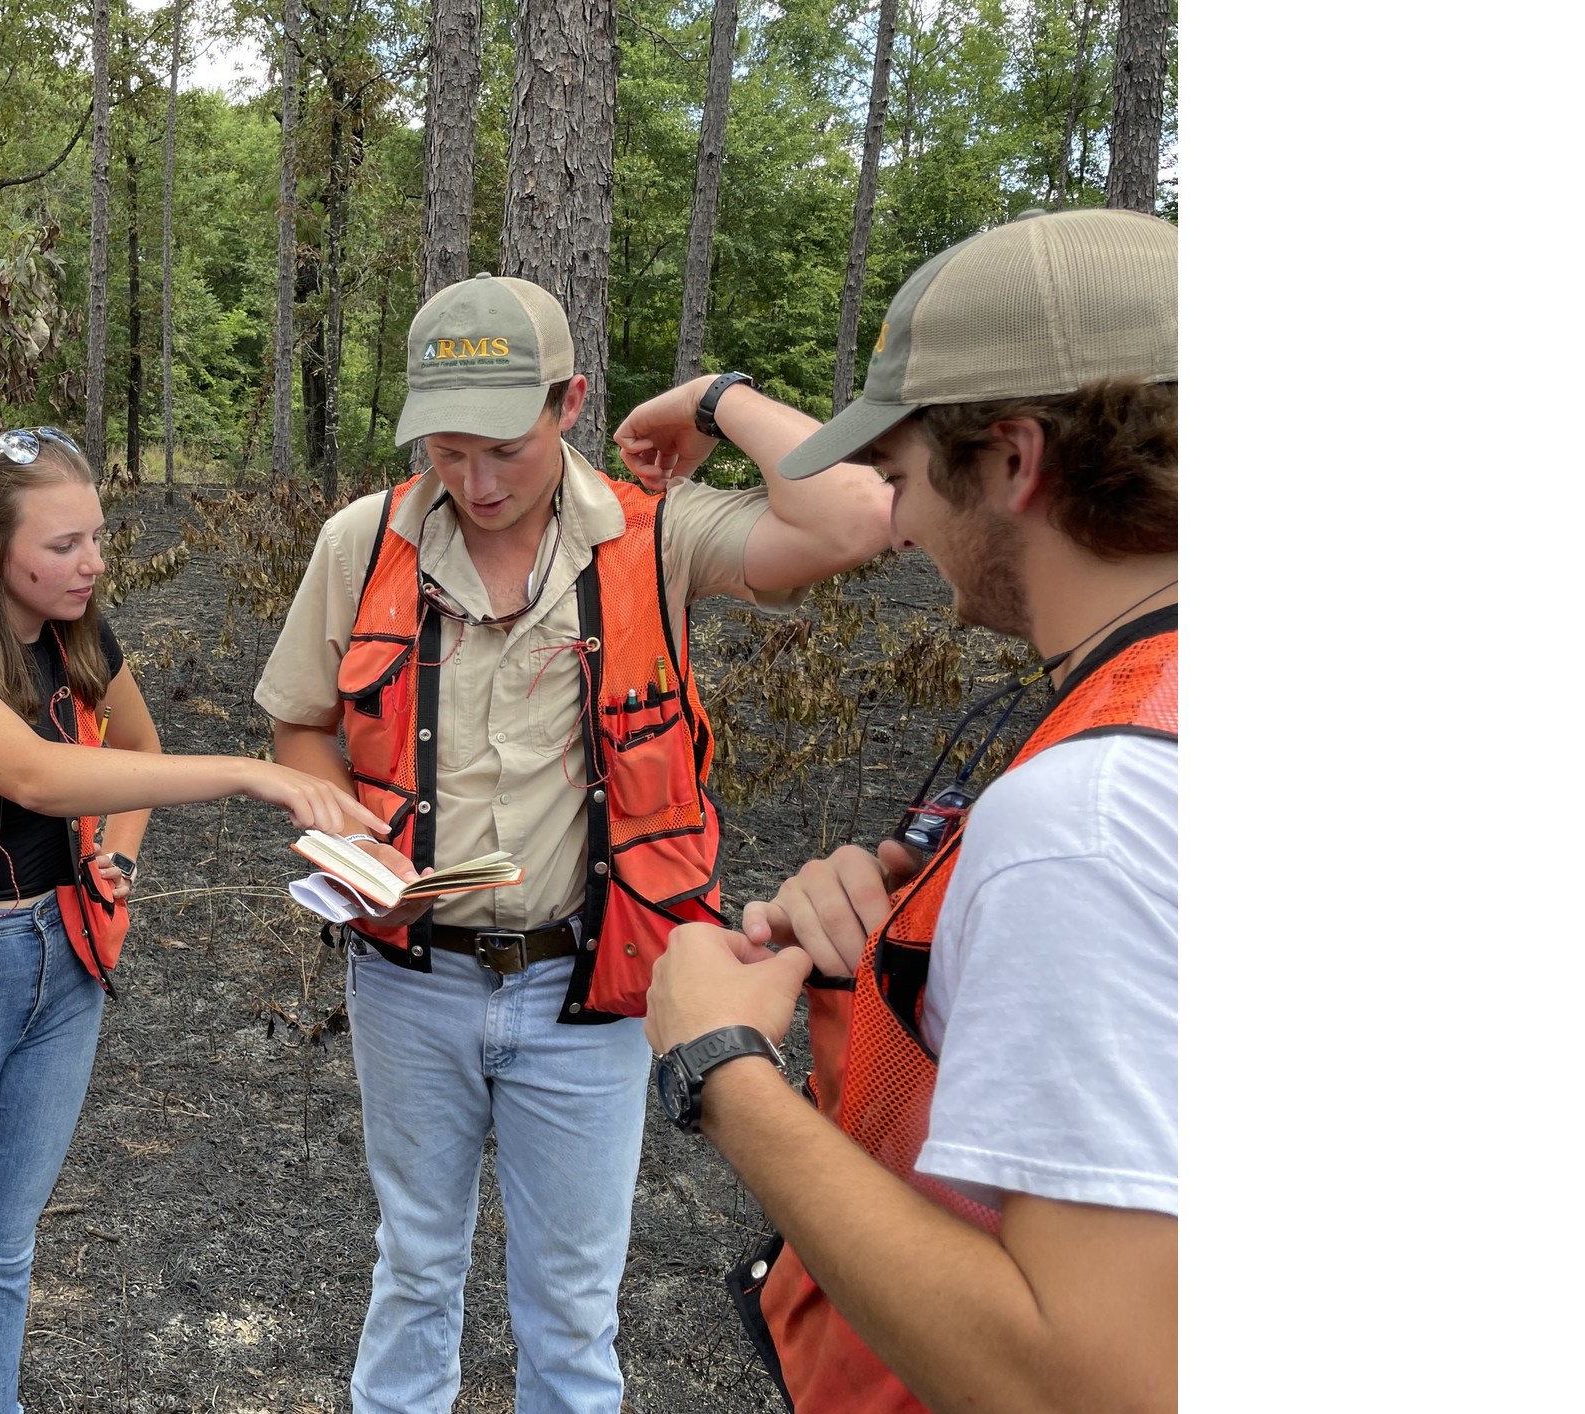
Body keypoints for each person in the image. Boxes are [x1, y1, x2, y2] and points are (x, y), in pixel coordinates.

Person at [252, 273, 893, 1414]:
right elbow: (299, 723)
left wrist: (711, 398)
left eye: (503, 445)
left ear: (567, 403)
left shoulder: (654, 541)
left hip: (589, 990)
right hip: (410, 983)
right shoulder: (365, 541)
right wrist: (349, 852)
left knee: (570, 1302)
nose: (476, 482)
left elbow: (853, 515)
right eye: (446, 450)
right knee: (412, 1269)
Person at [641, 207, 1177, 1414]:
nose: (901, 525)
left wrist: (718, 1064)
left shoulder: (1091, 810)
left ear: (1010, 459)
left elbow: (1083, 1384)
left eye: (901, 476)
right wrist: (936, 947)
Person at [0, 425, 389, 1414]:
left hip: (59, 970)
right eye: (62, 544)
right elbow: (32, 772)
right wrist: (249, 773)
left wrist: (120, 852)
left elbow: (136, 745)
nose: (93, 563)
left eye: (97, 537)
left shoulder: (78, 637)